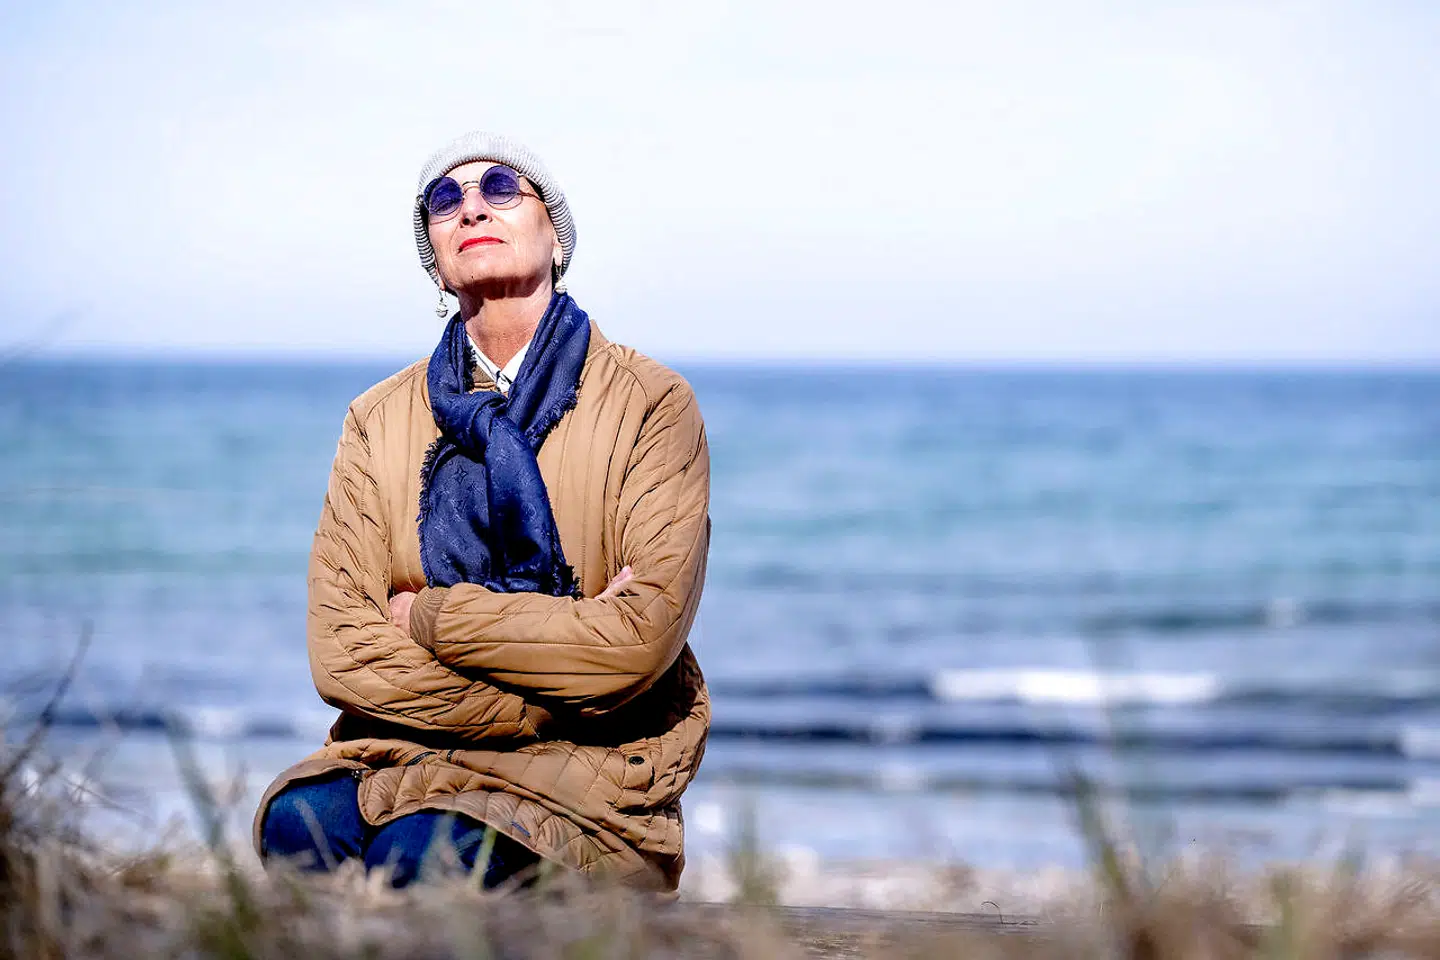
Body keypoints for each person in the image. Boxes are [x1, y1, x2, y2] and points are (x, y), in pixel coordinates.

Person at [252, 131, 710, 892]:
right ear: (434, 258)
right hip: (398, 754)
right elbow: (342, 649)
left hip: (587, 776)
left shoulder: (651, 404)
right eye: (444, 199)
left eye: (501, 187)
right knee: (296, 826)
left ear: (554, 236)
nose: (470, 208)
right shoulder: (377, 418)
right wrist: (551, 677)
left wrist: (428, 617)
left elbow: (633, 645)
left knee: (418, 863)